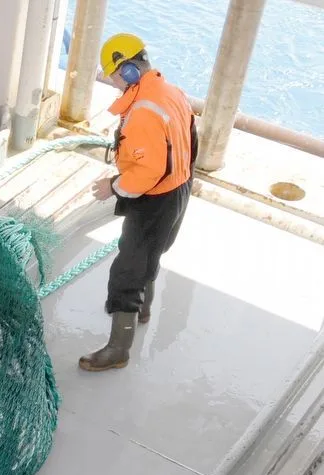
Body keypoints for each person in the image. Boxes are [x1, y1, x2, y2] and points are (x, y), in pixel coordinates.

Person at [80, 33, 198, 372]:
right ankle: (143, 309)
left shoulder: (144, 110)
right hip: (178, 191)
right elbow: (191, 140)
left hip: (153, 200)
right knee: (152, 253)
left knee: (126, 272)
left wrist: (113, 186)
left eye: (115, 77)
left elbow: (148, 170)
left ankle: (118, 349)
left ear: (129, 71)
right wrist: (181, 182)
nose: (115, 84)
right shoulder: (171, 92)